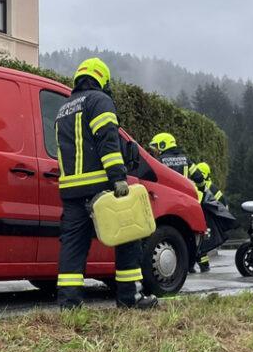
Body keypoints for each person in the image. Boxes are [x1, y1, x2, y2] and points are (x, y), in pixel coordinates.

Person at [55, 58, 158, 311]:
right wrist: (118, 178)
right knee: (129, 238)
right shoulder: (100, 101)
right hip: (100, 187)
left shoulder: (64, 108)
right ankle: (129, 298)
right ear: (102, 78)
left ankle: (69, 305)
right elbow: (108, 142)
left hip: (71, 191)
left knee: (73, 247)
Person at [147, 132, 209, 197]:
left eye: (156, 147)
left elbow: (150, 176)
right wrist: (201, 188)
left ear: (163, 145)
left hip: (166, 195)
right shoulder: (185, 159)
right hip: (184, 196)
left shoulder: (160, 160)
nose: (156, 150)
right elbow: (198, 177)